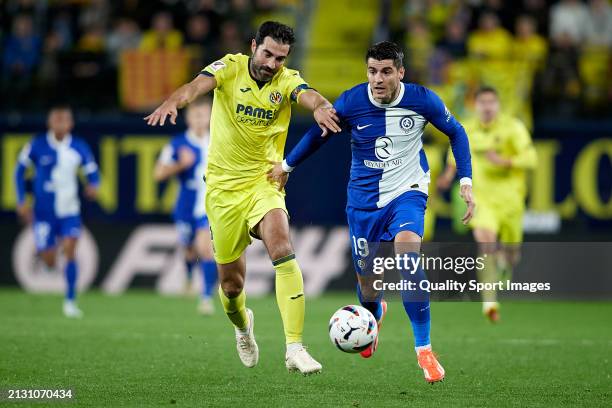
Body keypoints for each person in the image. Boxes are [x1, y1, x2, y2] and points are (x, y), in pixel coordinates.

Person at [269, 41, 474, 383]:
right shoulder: (351, 101)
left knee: (409, 260)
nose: (378, 79)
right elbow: (320, 135)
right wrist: (288, 165)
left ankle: (423, 349)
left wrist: (465, 179)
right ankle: (374, 313)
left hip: (407, 193)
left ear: (400, 73)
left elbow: (457, 132)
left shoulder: (423, 100)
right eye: (372, 71)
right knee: (368, 286)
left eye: (386, 72)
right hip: (363, 203)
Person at [145, 21, 341, 374]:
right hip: (222, 190)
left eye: (280, 58)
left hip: (264, 182)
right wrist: (174, 102)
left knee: (282, 244)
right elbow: (194, 87)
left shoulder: (285, 80)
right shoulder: (230, 67)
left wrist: (321, 106)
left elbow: (309, 95)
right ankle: (242, 327)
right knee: (231, 286)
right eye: (267, 53)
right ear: (254, 46)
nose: (271, 63)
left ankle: (294, 346)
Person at [437, 86, 536, 322]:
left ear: (498, 105)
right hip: (482, 200)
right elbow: (456, 155)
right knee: (486, 242)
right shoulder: (467, 128)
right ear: (476, 105)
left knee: (511, 254)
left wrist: (505, 161)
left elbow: (531, 158)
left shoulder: (513, 127)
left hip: (511, 201)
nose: (487, 107)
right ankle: (489, 301)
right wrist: (448, 175)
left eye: (492, 102)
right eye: (482, 102)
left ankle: (505, 263)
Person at [14, 105, 100, 318]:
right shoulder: (37, 145)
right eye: (56, 120)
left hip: (70, 210)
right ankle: (52, 254)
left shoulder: (79, 146)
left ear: (70, 124)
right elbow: (19, 171)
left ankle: (70, 301)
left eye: (64, 120)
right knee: (49, 259)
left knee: (71, 249)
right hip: (43, 212)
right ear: (50, 123)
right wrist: (21, 200)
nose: (60, 124)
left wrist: (93, 185)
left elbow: (92, 171)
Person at [154, 97, 218, 315]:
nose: (201, 120)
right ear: (188, 118)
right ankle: (190, 276)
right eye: (196, 115)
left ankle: (206, 297)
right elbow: (158, 173)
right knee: (190, 250)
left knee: (206, 249)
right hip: (185, 206)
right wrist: (181, 164)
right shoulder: (177, 144)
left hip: (208, 206)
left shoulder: (218, 141)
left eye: (204, 115)